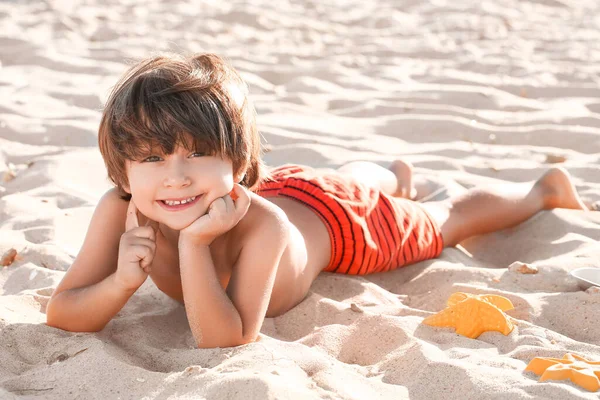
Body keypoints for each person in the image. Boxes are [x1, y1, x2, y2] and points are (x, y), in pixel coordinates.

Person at [45, 53, 588, 348]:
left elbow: (223, 337)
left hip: (340, 223)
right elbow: (62, 311)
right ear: (123, 168)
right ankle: (393, 173)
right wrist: (118, 282)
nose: (177, 178)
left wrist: (194, 246)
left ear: (237, 163)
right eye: (153, 159)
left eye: (198, 155)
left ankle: (543, 189)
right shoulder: (121, 209)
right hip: (294, 183)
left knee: (446, 220)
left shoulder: (265, 228)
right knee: (346, 177)